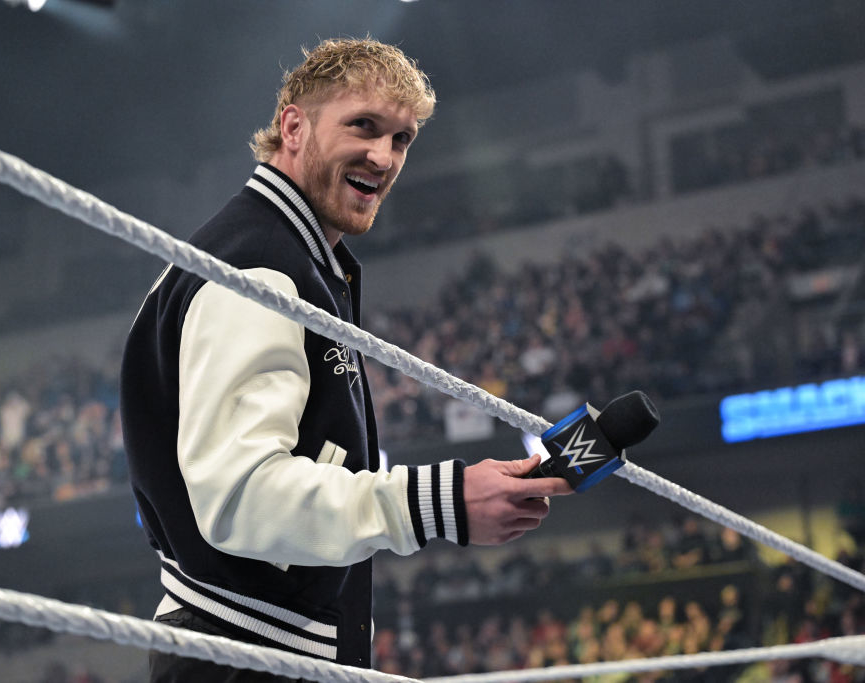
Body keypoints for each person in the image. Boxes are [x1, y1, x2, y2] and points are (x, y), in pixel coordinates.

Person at [119, 37, 573, 681]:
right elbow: (240, 499)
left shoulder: (291, 258)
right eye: (363, 126)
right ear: (293, 126)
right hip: (246, 656)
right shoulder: (260, 268)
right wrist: (440, 502)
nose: (383, 157)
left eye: (402, 139)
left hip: (266, 650)